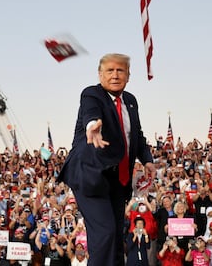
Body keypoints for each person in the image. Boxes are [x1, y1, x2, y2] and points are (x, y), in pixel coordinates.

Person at [57, 53, 155, 266]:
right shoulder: (92, 94)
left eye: (120, 70)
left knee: (116, 237)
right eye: (109, 70)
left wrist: (146, 159)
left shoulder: (130, 101)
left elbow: (136, 134)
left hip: (117, 181)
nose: (115, 75)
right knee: (105, 233)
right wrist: (93, 125)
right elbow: (90, 114)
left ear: (128, 75)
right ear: (100, 74)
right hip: (89, 175)